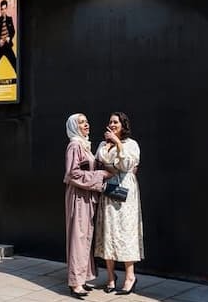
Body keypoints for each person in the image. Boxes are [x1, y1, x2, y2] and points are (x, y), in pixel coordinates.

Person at [93, 111, 143, 295]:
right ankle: (111, 277)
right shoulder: (102, 145)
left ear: (123, 125)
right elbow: (99, 162)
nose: (112, 124)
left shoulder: (131, 144)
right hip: (109, 190)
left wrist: (118, 143)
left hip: (125, 193)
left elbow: (127, 165)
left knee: (125, 231)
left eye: (116, 122)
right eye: (110, 122)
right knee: (109, 232)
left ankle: (130, 277)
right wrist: (111, 161)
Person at [63, 113, 107, 297]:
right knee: (78, 238)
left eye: (87, 122)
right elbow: (72, 174)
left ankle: (81, 278)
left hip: (87, 195)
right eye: (81, 123)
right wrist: (100, 175)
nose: (86, 125)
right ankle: (75, 283)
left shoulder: (83, 144)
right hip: (79, 196)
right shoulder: (74, 145)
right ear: (74, 126)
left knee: (85, 237)